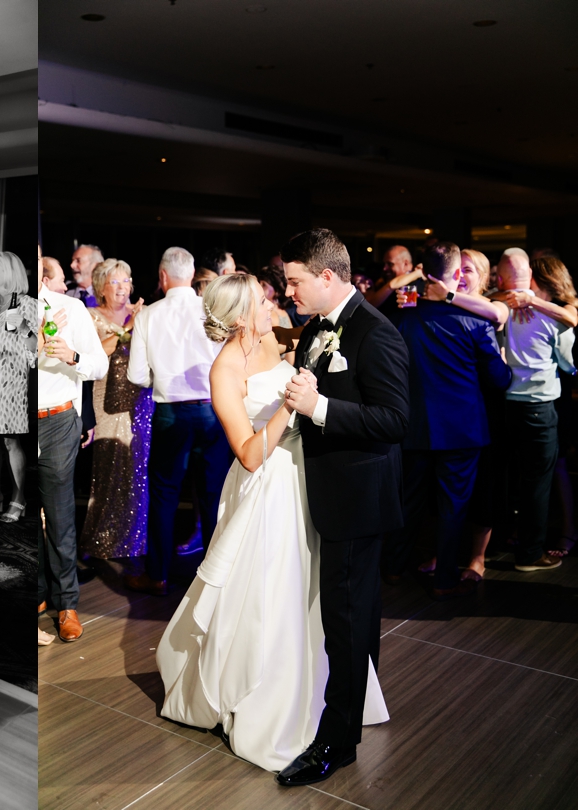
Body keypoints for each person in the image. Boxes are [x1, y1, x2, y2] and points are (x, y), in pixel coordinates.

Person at [156, 273, 388, 773]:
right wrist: (289, 405)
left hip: (307, 478)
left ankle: (327, 699)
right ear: (241, 315)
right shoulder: (223, 371)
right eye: (263, 300)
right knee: (272, 596)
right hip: (266, 490)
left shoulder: (282, 341)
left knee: (313, 592)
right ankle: (273, 708)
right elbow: (248, 454)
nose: (273, 303)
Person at [279, 228, 409, 786]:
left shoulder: (376, 335)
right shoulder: (316, 329)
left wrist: (320, 406)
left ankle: (337, 742)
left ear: (327, 277)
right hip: (327, 493)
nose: (289, 293)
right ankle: (352, 712)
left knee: (348, 622)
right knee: (346, 619)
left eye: (295, 281)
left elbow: (396, 422)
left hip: (357, 499)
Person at [384, 242, 512, 598]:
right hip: (462, 430)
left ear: (425, 273)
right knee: (453, 506)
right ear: (455, 275)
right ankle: (444, 581)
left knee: (408, 501)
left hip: (414, 426)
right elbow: (500, 381)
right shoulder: (476, 320)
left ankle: (393, 568)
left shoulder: (403, 316)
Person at [124, 247, 231, 597]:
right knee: (213, 495)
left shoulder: (149, 315)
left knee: (165, 494)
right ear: (190, 275)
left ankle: (157, 575)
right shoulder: (212, 310)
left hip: (170, 411)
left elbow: (137, 375)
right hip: (212, 409)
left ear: (163, 276)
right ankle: (219, 578)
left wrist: (163, 374)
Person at [38, 245, 109, 642]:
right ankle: (38, 593)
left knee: (60, 516)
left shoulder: (71, 309)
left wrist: (72, 355)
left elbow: (98, 364)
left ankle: (67, 604)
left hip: (59, 420)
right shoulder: (2, 315)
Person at [495, 248, 573, 572]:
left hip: (506, 407)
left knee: (510, 479)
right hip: (540, 409)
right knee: (537, 484)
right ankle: (530, 554)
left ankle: (502, 540)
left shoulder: (497, 307)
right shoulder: (554, 317)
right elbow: (569, 364)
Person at [79, 258, 151, 558]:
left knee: (138, 468)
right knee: (110, 466)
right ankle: (103, 539)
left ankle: (136, 539)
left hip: (141, 399)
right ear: (101, 288)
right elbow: (98, 352)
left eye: (126, 281)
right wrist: (128, 327)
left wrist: (142, 322)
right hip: (106, 396)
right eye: (115, 282)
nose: (123, 288)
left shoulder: (143, 313)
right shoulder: (91, 315)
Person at [0, 251, 39, 523]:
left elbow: (40, 349)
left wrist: (23, 327)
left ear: (7, 274)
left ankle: (19, 498)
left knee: (9, 439)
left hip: (13, 380)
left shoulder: (28, 305)